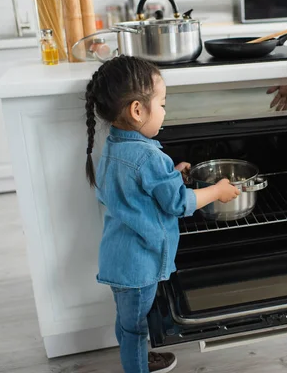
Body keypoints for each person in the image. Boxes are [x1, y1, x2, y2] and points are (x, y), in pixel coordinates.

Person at [84, 55, 240, 373]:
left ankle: (139, 356)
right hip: (139, 266)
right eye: (163, 104)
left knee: (128, 322)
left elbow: (136, 191)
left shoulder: (113, 147)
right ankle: (137, 365)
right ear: (138, 110)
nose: (165, 112)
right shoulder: (148, 157)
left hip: (118, 259)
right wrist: (217, 191)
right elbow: (179, 204)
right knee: (134, 328)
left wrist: (173, 174)